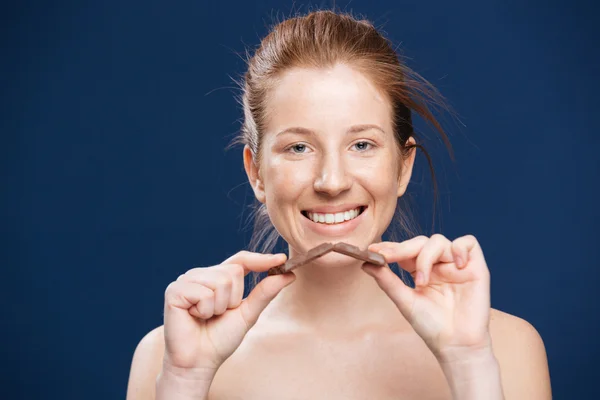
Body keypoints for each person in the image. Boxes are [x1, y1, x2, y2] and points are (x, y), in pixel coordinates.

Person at [126, 9, 552, 399]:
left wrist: (468, 362)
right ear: (256, 172)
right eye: (298, 148)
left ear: (403, 167)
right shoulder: (168, 358)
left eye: (362, 144)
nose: (332, 182)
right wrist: (185, 381)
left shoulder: (504, 347)